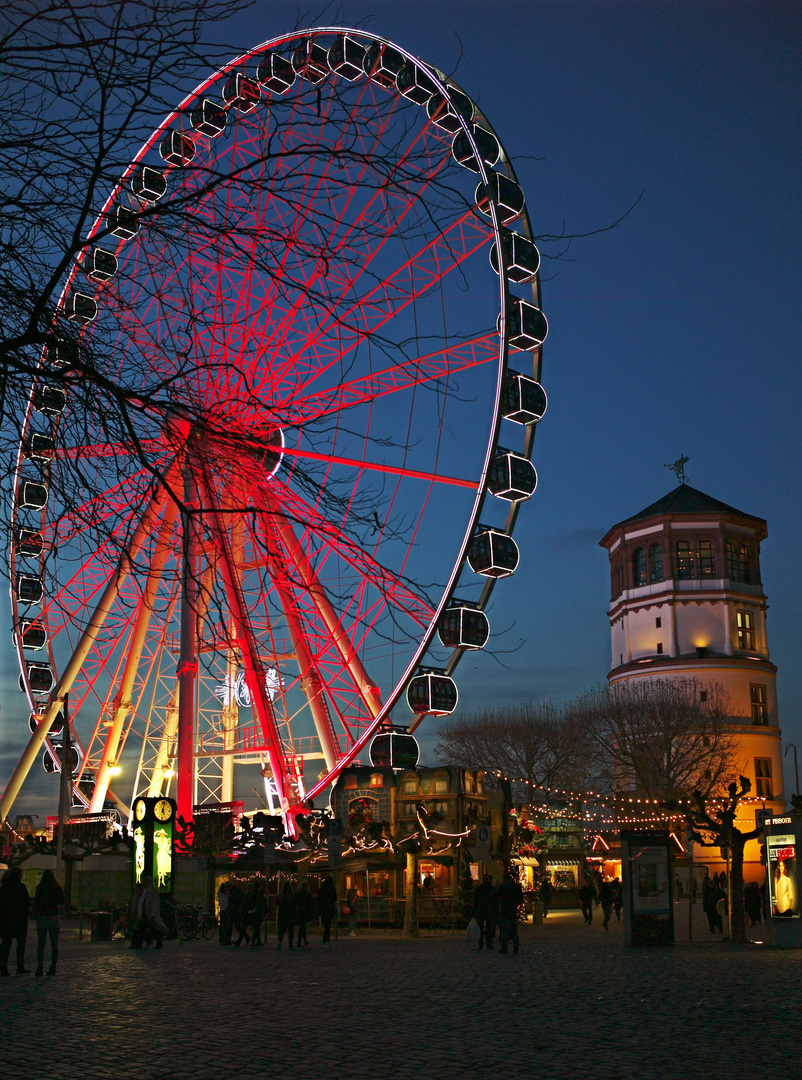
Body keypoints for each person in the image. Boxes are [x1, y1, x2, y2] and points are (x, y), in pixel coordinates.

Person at [0, 866, 32, 976]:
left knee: (5, 944)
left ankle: (3, 967)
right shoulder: (20, 887)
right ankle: (20, 966)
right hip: (19, 920)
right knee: (20, 944)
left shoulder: (4, 887)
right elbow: (26, 903)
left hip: (6, 920)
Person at [34, 869, 65, 977]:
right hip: (53, 916)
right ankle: (53, 967)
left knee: (41, 944)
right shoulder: (57, 888)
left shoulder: (39, 888)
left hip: (42, 917)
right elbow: (62, 901)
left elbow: (36, 902)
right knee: (54, 944)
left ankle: (40, 967)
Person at [131, 876, 166, 949]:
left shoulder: (153, 891)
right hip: (145, 913)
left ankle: (156, 942)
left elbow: (155, 903)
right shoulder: (146, 891)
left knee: (151, 928)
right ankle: (140, 943)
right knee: (143, 928)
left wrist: (153, 914)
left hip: (148, 913)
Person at [496, 871, 524, 954]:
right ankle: (516, 946)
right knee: (514, 928)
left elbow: (495, 895)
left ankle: (504, 947)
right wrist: (515, 903)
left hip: (504, 909)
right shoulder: (515, 886)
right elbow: (521, 899)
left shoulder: (502, 886)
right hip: (513, 909)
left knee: (504, 929)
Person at [471, 873, 498, 950]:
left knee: (487, 928)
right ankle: (484, 943)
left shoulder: (481, 889)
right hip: (484, 911)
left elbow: (475, 901)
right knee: (486, 928)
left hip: (485, 911)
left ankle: (485, 943)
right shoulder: (490, 889)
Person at [317, 876, 338, 945]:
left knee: (326, 923)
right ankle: (326, 937)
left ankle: (326, 937)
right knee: (328, 924)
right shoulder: (332, 889)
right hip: (330, 908)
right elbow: (335, 898)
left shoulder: (322, 888)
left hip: (324, 908)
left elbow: (319, 898)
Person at [276, 881, 296, 949]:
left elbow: (278, 903)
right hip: (290, 914)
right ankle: (290, 943)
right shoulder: (292, 895)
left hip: (282, 914)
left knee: (281, 930)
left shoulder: (280, 896)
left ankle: (279, 943)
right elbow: (294, 904)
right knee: (290, 930)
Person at [217, 881, 232, 945]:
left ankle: (222, 939)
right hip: (225, 911)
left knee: (222, 925)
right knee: (225, 926)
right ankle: (225, 939)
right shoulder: (224, 895)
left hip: (222, 910)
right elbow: (226, 903)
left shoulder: (220, 895)